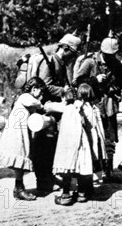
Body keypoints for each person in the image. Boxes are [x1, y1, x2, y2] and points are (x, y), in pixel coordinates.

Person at [26, 33, 81, 194]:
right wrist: (63, 90)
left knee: (51, 146)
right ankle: (42, 181)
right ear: (65, 48)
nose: (73, 57)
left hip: (54, 111)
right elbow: (42, 85)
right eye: (73, 53)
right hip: (44, 110)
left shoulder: (60, 63)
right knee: (42, 146)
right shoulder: (49, 61)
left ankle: (48, 177)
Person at [73, 36, 122, 182]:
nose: (111, 57)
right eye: (108, 55)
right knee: (93, 139)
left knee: (110, 138)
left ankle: (108, 171)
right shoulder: (90, 62)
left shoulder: (116, 64)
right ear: (102, 52)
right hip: (92, 106)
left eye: (113, 54)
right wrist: (94, 80)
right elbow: (77, 82)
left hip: (109, 105)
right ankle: (93, 171)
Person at [0, 77, 46, 200]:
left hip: (20, 130)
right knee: (20, 158)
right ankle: (19, 189)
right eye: (40, 92)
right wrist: (42, 103)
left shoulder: (25, 97)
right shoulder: (25, 97)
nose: (40, 95)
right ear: (34, 88)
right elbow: (36, 104)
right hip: (16, 132)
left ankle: (18, 188)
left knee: (20, 160)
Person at [52, 83, 107, 205]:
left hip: (69, 143)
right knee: (82, 167)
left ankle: (66, 195)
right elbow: (92, 126)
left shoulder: (69, 108)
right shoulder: (91, 108)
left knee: (67, 167)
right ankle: (81, 194)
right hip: (83, 143)